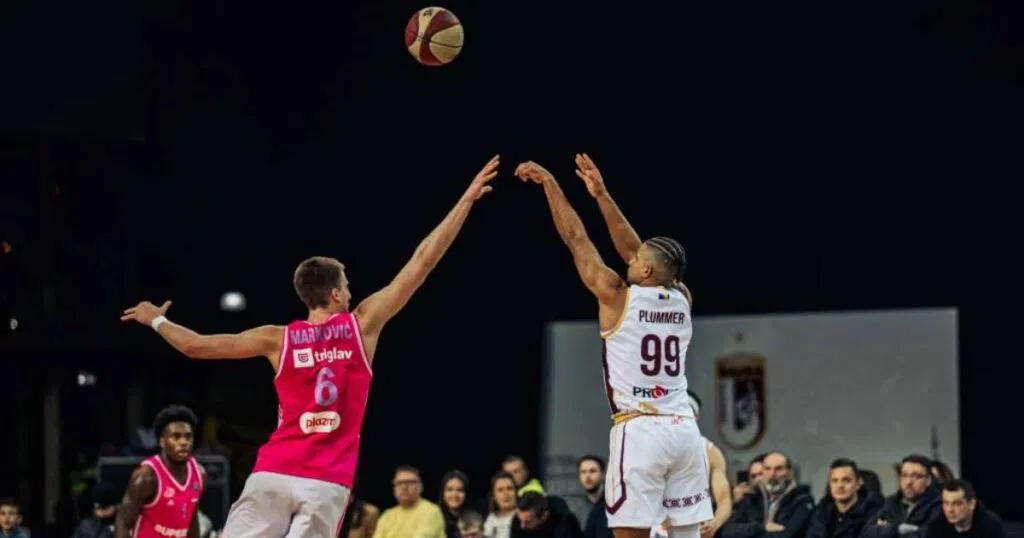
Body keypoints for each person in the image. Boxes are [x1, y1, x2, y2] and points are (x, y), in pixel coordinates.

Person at [120, 156, 500, 538]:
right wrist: (465, 201)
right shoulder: (361, 325)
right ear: (335, 294)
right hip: (325, 481)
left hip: (272, 473)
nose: (350, 292)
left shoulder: (278, 338)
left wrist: (157, 320)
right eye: (347, 285)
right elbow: (423, 261)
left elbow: (195, 347)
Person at [515, 155, 711, 538]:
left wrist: (551, 184)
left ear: (647, 271)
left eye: (637, 260)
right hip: (684, 429)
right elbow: (637, 251)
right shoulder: (681, 297)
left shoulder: (616, 296)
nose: (629, 258)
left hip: (641, 429)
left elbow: (576, 238)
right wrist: (601, 195)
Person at [114, 405, 206, 538]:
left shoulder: (200, 474)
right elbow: (123, 522)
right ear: (162, 441)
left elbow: (192, 520)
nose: (183, 442)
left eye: (188, 437)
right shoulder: (146, 477)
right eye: (176, 436)